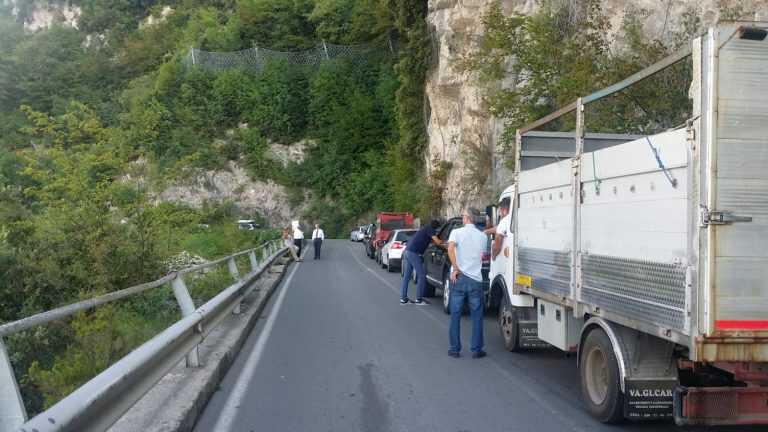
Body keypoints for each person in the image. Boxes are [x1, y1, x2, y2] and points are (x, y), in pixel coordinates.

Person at [447, 207, 487, 359]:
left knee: (455, 314)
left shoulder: (456, 232)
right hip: (475, 280)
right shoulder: (482, 237)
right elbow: (481, 255)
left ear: (467, 218)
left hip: (460, 278)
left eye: (463, 215)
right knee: (477, 315)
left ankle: (454, 349)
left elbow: (450, 249)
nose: (462, 218)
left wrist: (455, 268)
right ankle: (476, 349)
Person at [400, 219, 443, 305]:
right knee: (422, 275)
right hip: (413, 253)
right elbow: (437, 242)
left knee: (407, 276)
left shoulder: (425, 229)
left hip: (408, 251)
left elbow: (430, 242)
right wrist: (447, 243)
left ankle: (403, 298)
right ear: (436, 227)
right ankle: (419, 299)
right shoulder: (430, 229)